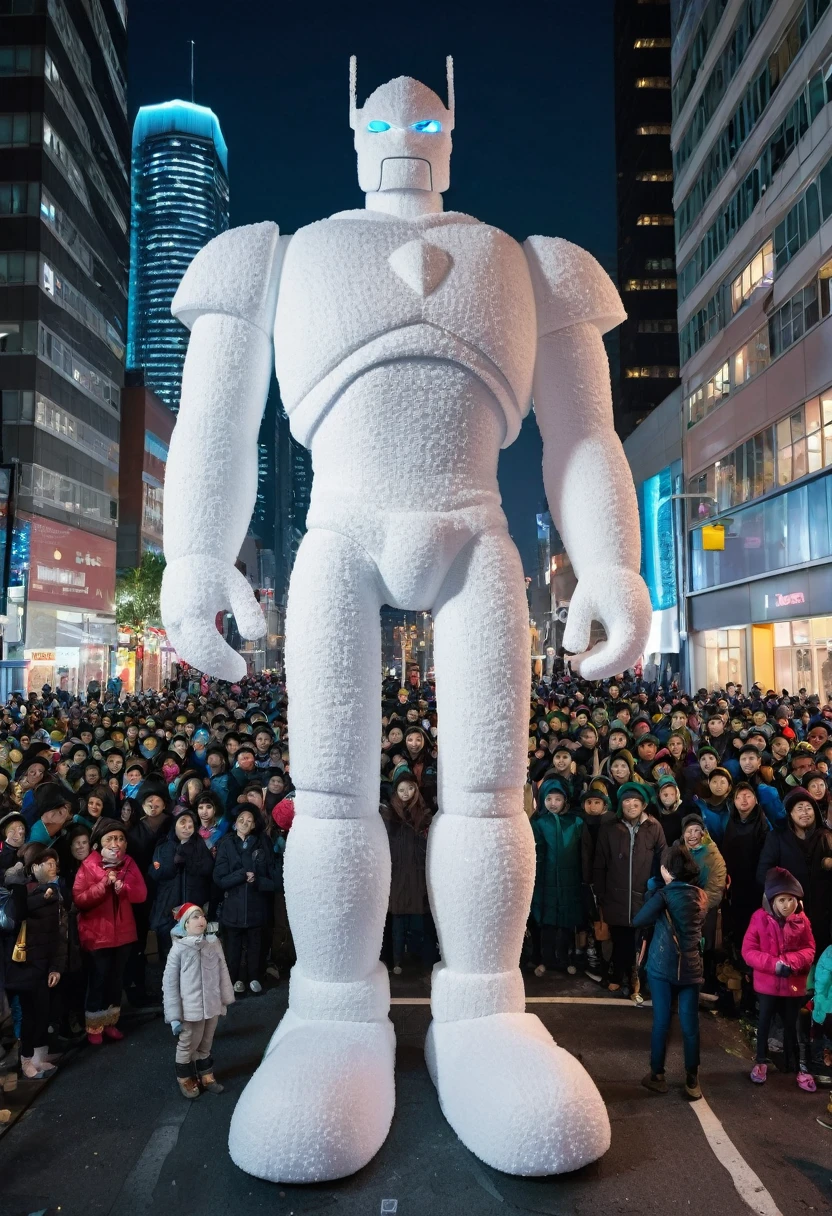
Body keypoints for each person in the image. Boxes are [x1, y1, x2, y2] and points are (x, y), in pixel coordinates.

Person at [634, 843, 708, 1099]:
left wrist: (654, 894)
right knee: (690, 1024)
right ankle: (691, 1079)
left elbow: (638, 920)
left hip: (662, 967)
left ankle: (657, 1075)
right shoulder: (701, 896)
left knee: (662, 1021)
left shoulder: (664, 895)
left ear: (666, 870)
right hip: (691, 968)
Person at [73, 817, 147, 1044]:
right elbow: (80, 899)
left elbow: (141, 894)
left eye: (120, 838)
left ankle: (111, 1022)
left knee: (116, 980)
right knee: (98, 980)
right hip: (97, 935)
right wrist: (103, 885)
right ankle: (94, 1026)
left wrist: (123, 888)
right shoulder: (88, 865)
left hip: (123, 934)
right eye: (111, 838)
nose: (116, 843)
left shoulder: (129, 864)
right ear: (99, 843)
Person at [742, 867, 816, 1090]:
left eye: (791, 899)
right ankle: (761, 1062)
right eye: (782, 900)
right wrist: (774, 964)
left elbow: (809, 949)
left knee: (794, 1026)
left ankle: (797, 1067)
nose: (787, 905)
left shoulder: (802, 921)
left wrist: (791, 963)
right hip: (767, 985)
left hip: (793, 985)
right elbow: (749, 951)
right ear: (771, 900)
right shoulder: (759, 919)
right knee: (764, 1023)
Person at [593, 782, 667, 997]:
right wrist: (600, 891)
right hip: (615, 893)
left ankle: (634, 977)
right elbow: (600, 861)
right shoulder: (610, 828)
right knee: (620, 938)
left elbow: (662, 859)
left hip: (643, 894)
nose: (631, 804)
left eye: (636, 801)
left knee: (639, 940)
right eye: (627, 800)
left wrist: (657, 888)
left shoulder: (654, 827)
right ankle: (618, 974)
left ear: (644, 804)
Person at [4, 843, 67, 1079]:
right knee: (29, 1015)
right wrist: (42, 894)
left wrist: (55, 967)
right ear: (34, 866)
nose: (53, 867)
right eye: (47, 863)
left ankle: (40, 1056)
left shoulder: (54, 891)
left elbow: (58, 936)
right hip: (24, 966)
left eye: (55, 863)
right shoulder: (21, 891)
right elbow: (18, 913)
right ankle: (26, 1061)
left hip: (43, 964)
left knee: (42, 1012)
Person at [163, 902, 235, 1099]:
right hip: (190, 1009)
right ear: (185, 924)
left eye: (202, 916)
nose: (201, 920)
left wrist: (224, 999)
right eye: (194, 917)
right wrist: (174, 1016)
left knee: (206, 1042)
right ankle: (185, 1078)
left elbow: (223, 972)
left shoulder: (213, 943)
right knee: (187, 1043)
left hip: (212, 1004)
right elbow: (170, 984)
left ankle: (206, 1075)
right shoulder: (178, 949)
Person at [213, 806, 276, 994]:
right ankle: (235, 979)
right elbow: (220, 878)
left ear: (254, 824)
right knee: (233, 947)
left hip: (257, 906)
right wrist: (241, 875)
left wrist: (257, 880)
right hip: (233, 906)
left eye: (249, 820)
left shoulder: (262, 844)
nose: (245, 822)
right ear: (234, 822)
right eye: (241, 818)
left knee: (256, 945)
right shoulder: (226, 844)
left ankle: (254, 977)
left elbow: (273, 880)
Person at [381, 767, 434, 975]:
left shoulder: (424, 814)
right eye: (402, 789)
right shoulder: (388, 814)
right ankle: (396, 960)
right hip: (395, 872)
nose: (405, 793)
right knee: (397, 919)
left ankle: (416, 958)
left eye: (410, 788)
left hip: (417, 872)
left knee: (417, 918)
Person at [531, 776, 584, 975]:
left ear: (565, 801)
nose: (553, 803)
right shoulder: (539, 823)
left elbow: (582, 852)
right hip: (545, 880)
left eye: (558, 799)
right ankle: (545, 959)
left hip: (570, 879)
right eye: (549, 799)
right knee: (547, 921)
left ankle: (565, 959)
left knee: (567, 922)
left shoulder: (576, 822)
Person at [148, 809, 215, 966]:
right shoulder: (163, 846)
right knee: (169, 955)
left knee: (193, 955)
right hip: (168, 907)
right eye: (182, 823)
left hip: (192, 906)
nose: (186, 828)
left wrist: (189, 860)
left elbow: (208, 870)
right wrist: (173, 863)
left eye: (190, 824)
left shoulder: (200, 845)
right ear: (175, 825)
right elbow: (154, 873)